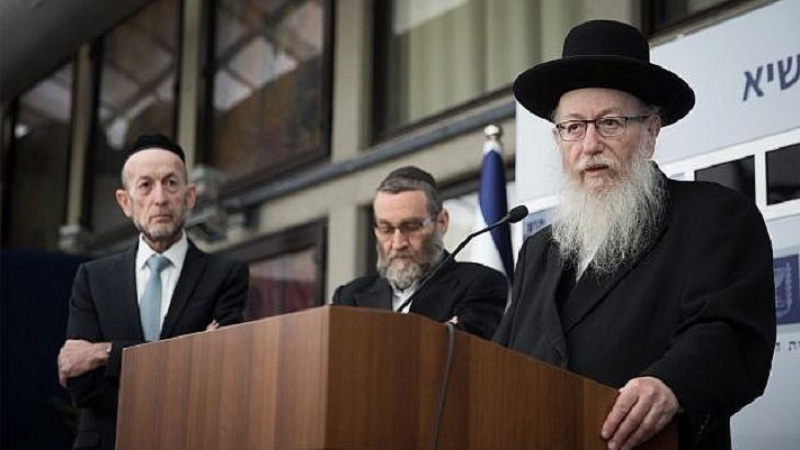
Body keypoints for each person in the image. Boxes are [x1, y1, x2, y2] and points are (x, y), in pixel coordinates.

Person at [494, 20, 775, 450]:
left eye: (609, 123)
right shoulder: (539, 249)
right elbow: (501, 361)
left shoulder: (713, 216)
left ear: (651, 131)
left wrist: (672, 383)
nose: (589, 144)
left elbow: (731, 332)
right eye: (573, 127)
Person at [57, 134, 249, 450]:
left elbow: (220, 375)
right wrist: (189, 356)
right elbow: (83, 385)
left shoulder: (225, 275)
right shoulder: (93, 278)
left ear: (189, 196)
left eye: (171, 183)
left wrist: (105, 353)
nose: (160, 198)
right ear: (126, 202)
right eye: (145, 185)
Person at [333, 166, 507, 340]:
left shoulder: (481, 284)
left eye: (411, 227)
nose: (398, 243)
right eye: (386, 229)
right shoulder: (349, 297)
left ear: (441, 222)